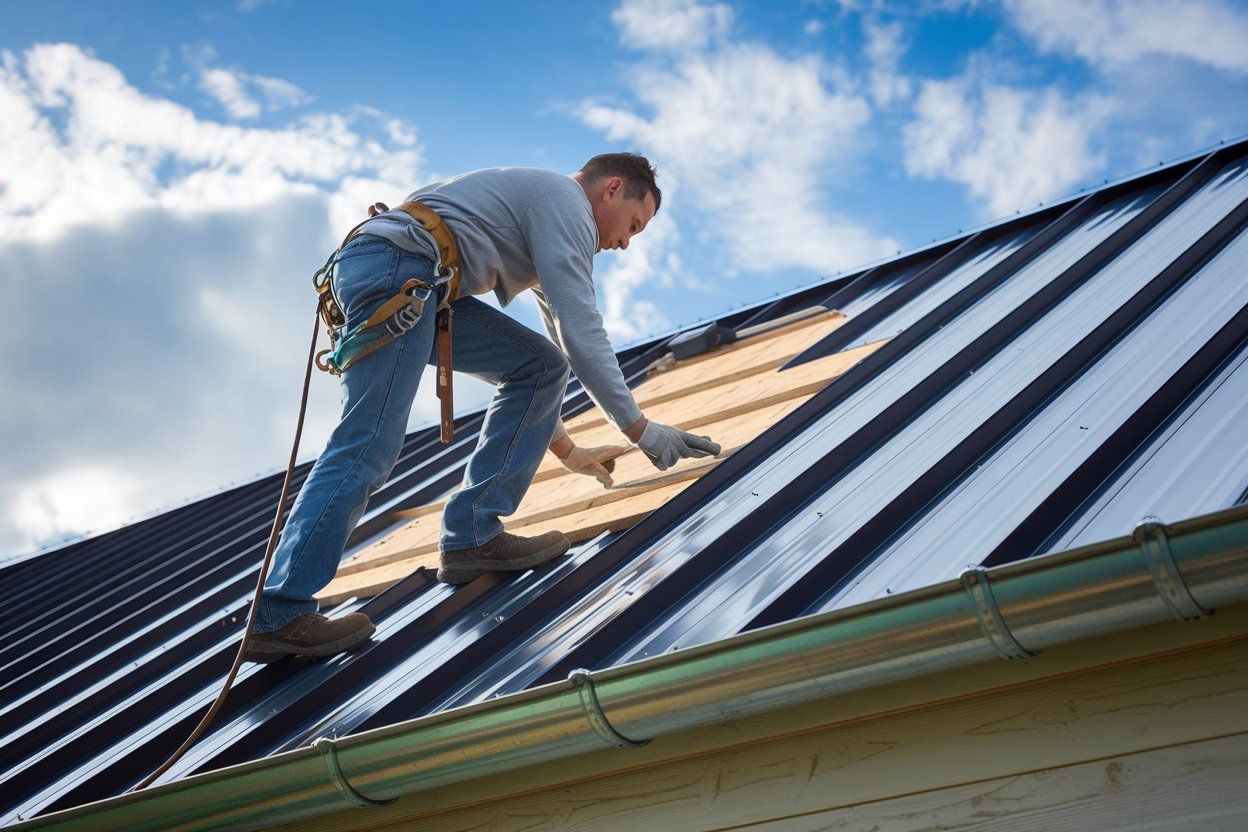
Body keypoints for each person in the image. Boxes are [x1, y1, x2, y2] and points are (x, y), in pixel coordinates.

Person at [244, 153, 721, 662]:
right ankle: (281, 610)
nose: (625, 243)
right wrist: (641, 430)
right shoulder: (564, 204)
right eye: (632, 224)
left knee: (539, 364)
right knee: (367, 445)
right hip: (399, 272)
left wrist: (565, 449)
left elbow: (558, 340)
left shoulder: (544, 213)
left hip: (410, 274)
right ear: (611, 189)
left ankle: (473, 534)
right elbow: (581, 327)